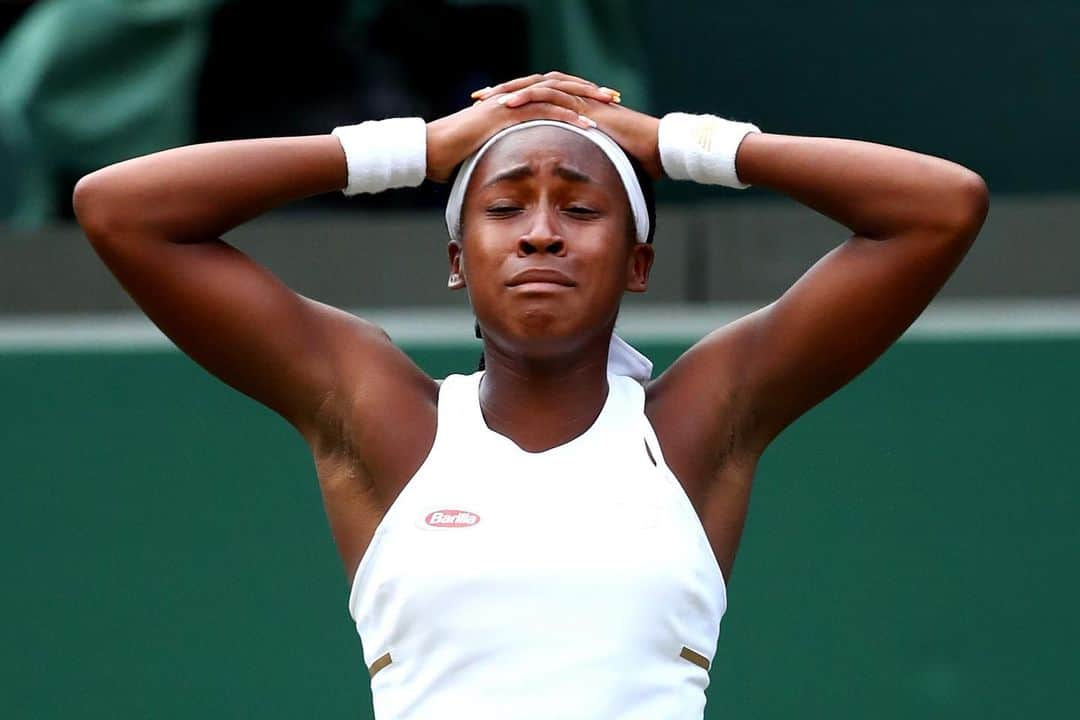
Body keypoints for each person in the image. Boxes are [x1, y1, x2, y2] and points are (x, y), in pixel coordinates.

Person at [73, 70, 988, 719]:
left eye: (581, 209)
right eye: (507, 207)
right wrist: (417, 149)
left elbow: (940, 207)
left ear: (637, 263)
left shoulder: (696, 428)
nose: (542, 234)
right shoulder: (383, 420)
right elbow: (122, 210)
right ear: (457, 259)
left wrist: (673, 143)